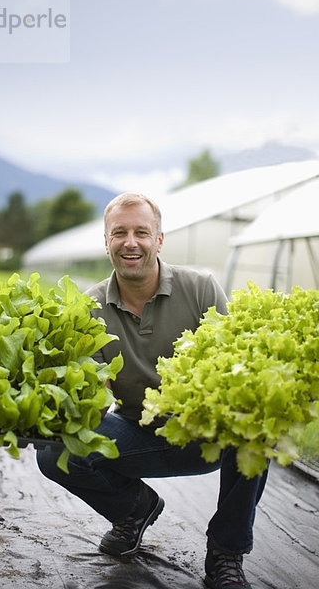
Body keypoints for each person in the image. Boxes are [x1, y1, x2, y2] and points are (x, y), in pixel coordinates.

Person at [36, 193, 268, 589]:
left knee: (260, 429)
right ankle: (134, 509)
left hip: (205, 433)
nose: (131, 242)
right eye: (120, 233)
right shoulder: (89, 306)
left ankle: (225, 553)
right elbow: (93, 385)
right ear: (106, 240)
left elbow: (238, 367)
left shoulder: (201, 289)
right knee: (55, 451)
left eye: (142, 232)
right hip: (138, 432)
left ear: (159, 239)